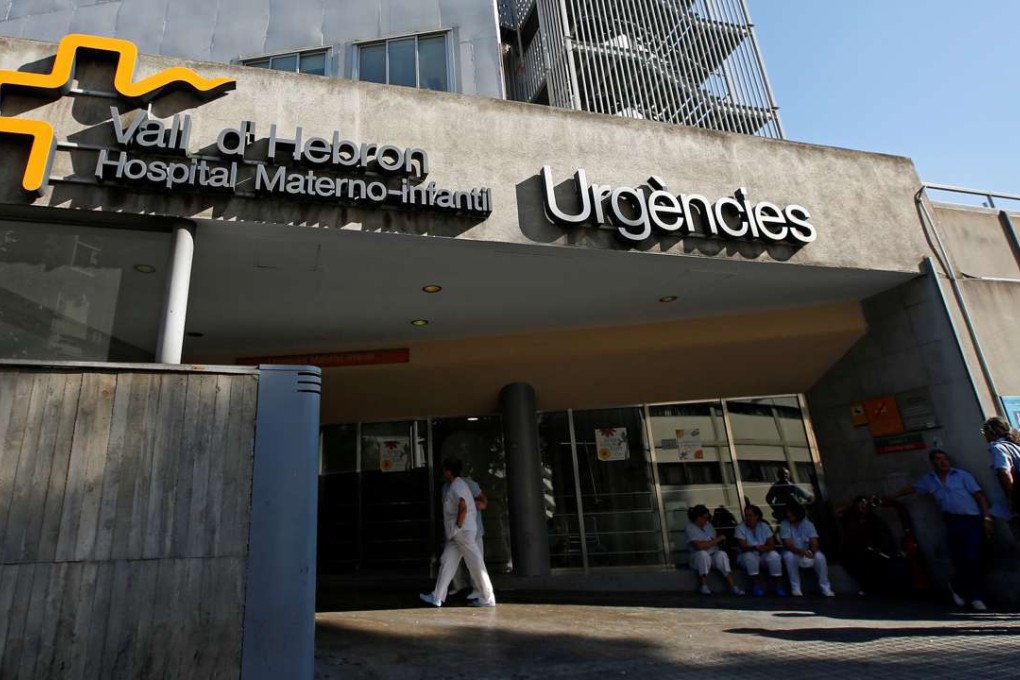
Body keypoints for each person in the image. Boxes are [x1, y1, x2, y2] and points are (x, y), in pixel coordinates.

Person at [888, 449, 992, 611]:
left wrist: (986, 517)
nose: (943, 462)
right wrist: (892, 496)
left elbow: (980, 496)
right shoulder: (930, 480)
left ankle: (975, 595)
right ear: (933, 462)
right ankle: (962, 589)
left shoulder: (962, 476)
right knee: (959, 559)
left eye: (945, 458)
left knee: (972, 557)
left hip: (971, 520)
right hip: (952, 521)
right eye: (938, 459)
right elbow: (913, 489)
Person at [419, 459, 496, 608]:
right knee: (447, 560)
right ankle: (437, 596)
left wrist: (458, 526)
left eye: (445, 470)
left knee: (476, 564)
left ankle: (488, 598)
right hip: (458, 534)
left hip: (462, 532)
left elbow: (463, 505)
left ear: (448, 472)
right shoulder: (458, 484)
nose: (444, 473)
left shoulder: (457, 486)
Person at [838, 496, 900, 596]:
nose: (862, 509)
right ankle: (866, 587)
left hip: (872, 549)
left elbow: (883, 534)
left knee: (876, 564)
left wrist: (879, 547)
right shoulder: (850, 518)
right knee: (858, 565)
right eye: (859, 507)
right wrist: (850, 505)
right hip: (855, 549)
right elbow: (838, 513)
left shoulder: (873, 519)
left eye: (864, 506)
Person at [442, 473, 488, 599]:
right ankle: (457, 586)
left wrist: (457, 525)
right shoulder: (446, 487)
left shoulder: (468, 484)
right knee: (452, 561)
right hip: (458, 531)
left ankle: (480, 590)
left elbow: (481, 502)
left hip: (468, 531)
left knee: (474, 561)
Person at [779, 500, 835, 597]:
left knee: (820, 557)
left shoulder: (808, 524)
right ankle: (795, 588)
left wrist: (811, 551)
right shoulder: (784, 524)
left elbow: (814, 541)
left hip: (807, 553)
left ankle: (825, 588)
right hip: (794, 553)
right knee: (788, 557)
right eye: (787, 512)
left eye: (790, 512)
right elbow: (788, 543)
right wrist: (799, 551)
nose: (788, 515)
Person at [686, 505, 744, 596]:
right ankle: (703, 585)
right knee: (703, 555)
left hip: (713, 553)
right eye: (705, 518)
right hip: (698, 556)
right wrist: (714, 541)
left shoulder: (708, 525)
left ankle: (732, 586)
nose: (706, 520)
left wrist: (710, 542)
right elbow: (700, 546)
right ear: (698, 517)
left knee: (722, 555)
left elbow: (713, 538)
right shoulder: (690, 528)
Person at [734, 504, 786, 597]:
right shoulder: (740, 528)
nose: (748, 518)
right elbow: (743, 546)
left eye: (750, 515)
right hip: (746, 556)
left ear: (757, 516)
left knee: (774, 556)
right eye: (746, 516)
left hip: (763, 554)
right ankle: (756, 585)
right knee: (750, 556)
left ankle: (778, 586)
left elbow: (771, 545)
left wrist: (763, 548)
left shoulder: (764, 526)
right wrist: (755, 548)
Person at [981, 416, 1020, 530]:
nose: (984, 435)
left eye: (984, 431)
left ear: (991, 431)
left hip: (1016, 507)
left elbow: (1004, 473)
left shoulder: (998, 448)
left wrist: (1013, 500)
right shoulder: (1015, 446)